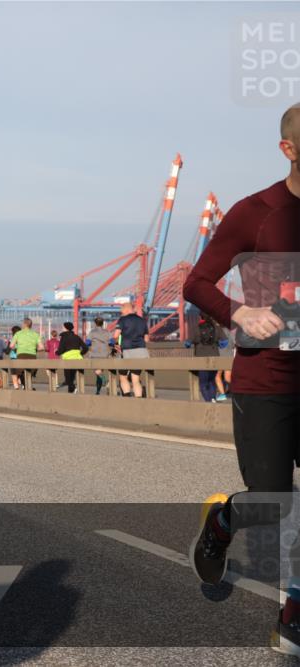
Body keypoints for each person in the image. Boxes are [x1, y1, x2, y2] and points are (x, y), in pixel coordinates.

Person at [186, 103, 300, 656]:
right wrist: (237, 312)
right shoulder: (254, 212)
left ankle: (294, 617)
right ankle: (224, 520)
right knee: (277, 502)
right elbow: (197, 282)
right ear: (289, 149)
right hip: (267, 380)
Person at [113, 302, 149, 397]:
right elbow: (146, 339)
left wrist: (116, 344)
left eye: (122, 312)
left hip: (127, 351)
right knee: (135, 379)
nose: (121, 314)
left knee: (123, 376)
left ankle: (127, 398)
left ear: (127, 309)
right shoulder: (142, 320)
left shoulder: (123, 320)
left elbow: (116, 335)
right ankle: (138, 400)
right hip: (141, 351)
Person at [186, 312, 224, 402]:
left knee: (203, 382)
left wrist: (192, 343)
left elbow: (187, 343)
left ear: (200, 317)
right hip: (215, 357)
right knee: (211, 380)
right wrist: (217, 344)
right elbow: (224, 342)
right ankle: (213, 398)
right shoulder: (216, 328)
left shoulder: (195, 328)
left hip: (201, 358)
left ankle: (208, 400)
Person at [10, 318, 42, 390]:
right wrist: (34, 349)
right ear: (31, 325)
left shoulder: (18, 333)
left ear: (24, 324)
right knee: (29, 371)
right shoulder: (35, 334)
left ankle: (25, 386)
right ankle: (28, 386)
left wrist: (18, 348)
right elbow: (42, 347)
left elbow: (11, 346)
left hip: (21, 355)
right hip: (32, 355)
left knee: (21, 371)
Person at [56, 322, 88, 393]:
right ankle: (72, 391)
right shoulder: (77, 337)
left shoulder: (64, 337)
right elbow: (85, 348)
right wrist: (80, 353)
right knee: (72, 378)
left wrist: (56, 352)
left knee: (68, 379)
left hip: (68, 360)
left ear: (66, 328)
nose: (62, 328)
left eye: (63, 327)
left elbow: (61, 350)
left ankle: (73, 389)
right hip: (77, 359)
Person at [86, 317, 112, 395]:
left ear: (95, 323)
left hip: (94, 354)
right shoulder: (107, 332)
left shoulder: (92, 332)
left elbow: (87, 343)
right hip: (105, 354)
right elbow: (112, 342)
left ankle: (106, 382)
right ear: (103, 323)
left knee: (97, 372)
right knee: (99, 373)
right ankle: (98, 391)